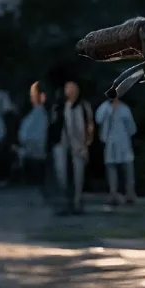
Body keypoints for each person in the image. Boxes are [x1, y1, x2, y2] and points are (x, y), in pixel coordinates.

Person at [96, 86, 138, 207]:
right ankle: (113, 193)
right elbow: (98, 119)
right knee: (111, 168)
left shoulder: (125, 109)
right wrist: (110, 110)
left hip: (123, 141)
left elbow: (131, 128)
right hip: (110, 142)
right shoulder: (104, 107)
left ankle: (130, 194)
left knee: (128, 169)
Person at [59, 80, 93, 214]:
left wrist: (87, 143)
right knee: (64, 175)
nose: (70, 92)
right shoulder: (64, 106)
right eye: (68, 89)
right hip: (66, 145)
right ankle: (68, 202)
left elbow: (89, 126)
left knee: (78, 177)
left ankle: (77, 202)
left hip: (79, 146)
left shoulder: (83, 106)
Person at [17, 82, 49, 185]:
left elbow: (39, 136)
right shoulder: (32, 114)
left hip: (35, 150)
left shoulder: (41, 114)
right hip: (30, 149)